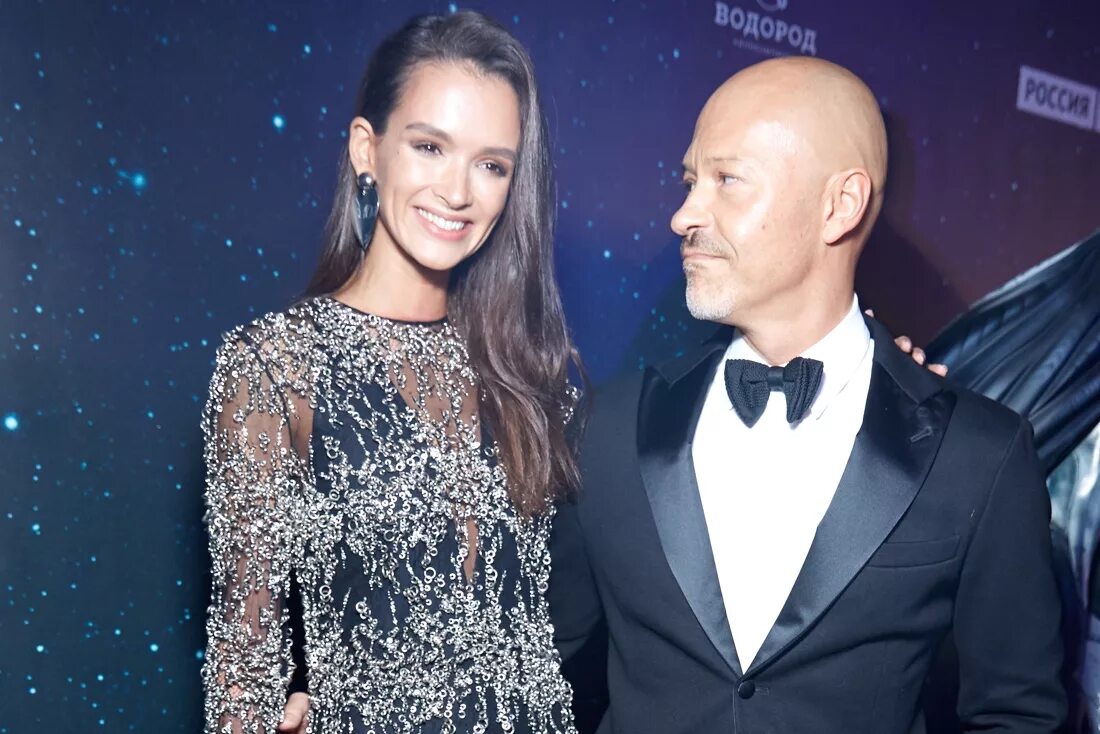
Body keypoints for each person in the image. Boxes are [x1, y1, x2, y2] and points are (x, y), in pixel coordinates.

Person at [548, 56, 1067, 733]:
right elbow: (537, 671)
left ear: (839, 205)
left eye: (727, 180)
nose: (683, 215)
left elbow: (1017, 714)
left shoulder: (978, 455)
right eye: (690, 181)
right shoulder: (610, 426)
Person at [201, 12, 581, 734]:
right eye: (430, 146)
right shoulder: (276, 366)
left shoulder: (531, 372)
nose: (458, 191)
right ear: (366, 150)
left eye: (492, 165)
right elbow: (243, 669)